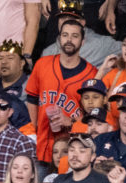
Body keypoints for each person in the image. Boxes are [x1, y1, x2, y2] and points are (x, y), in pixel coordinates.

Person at [25, 17, 98, 167]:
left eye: (75, 36)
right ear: (59, 39)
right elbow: (32, 98)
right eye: (65, 35)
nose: (69, 40)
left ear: (83, 42)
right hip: (40, 147)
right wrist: (34, 129)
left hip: (71, 153)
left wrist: (70, 122)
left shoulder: (92, 74)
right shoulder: (43, 64)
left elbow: (94, 117)